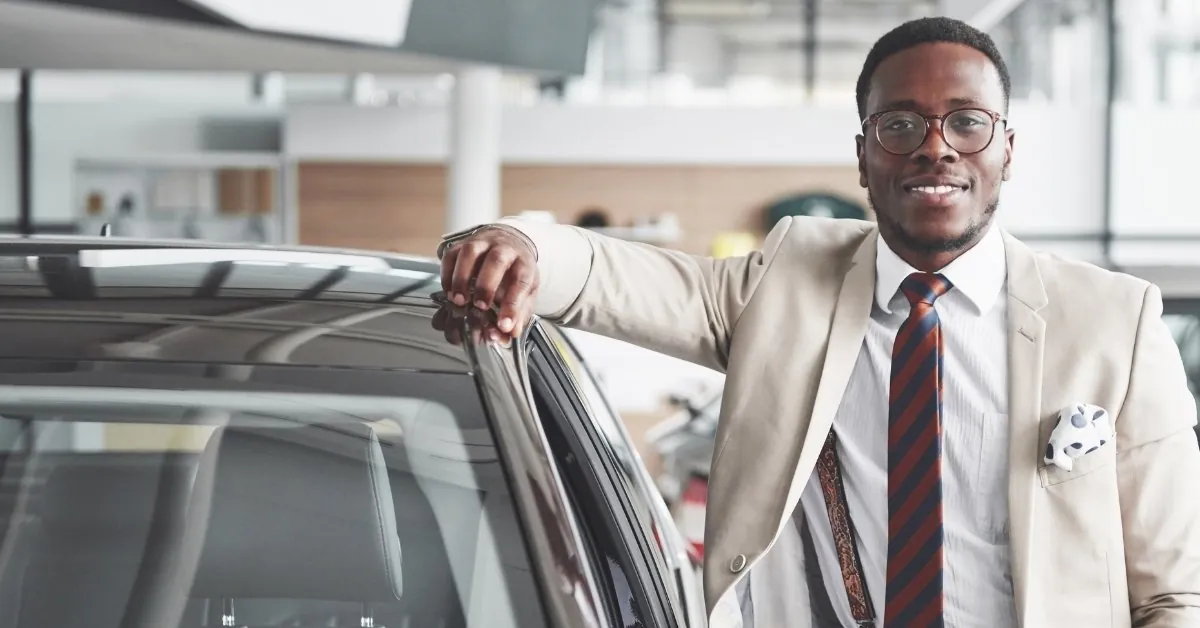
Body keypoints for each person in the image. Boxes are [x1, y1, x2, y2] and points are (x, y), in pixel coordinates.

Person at [435, 17, 1200, 628]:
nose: (935, 150)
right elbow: (615, 277)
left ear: (1006, 148)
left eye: (966, 123)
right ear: (864, 156)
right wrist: (520, 245)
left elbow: (1176, 593)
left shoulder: (1112, 322)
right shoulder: (787, 281)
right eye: (900, 126)